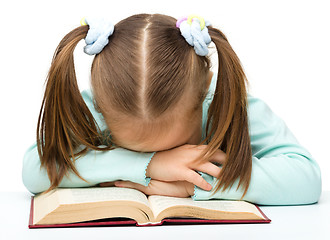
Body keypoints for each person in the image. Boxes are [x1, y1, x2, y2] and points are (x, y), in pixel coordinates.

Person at [22, 14, 321, 205]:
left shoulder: (223, 103)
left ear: (204, 91)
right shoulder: (95, 107)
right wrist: (151, 165)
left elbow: (306, 177)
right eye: (135, 149)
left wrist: (194, 184)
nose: (171, 158)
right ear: (101, 106)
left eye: (175, 148)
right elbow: (34, 169)